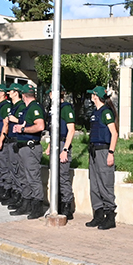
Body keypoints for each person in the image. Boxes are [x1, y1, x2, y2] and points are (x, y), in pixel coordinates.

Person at [9, 84, 48, 220]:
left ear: (23, 95)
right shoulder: (27, 109)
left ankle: (37, 207)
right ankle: (26, 203)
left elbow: (40, 126)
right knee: (24, 177)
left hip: (30, 147)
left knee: (33, 177)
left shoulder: (35, 108)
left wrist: (23, 130)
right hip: (23, 147)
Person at [83, 86, 118, 229]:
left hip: (104, 151)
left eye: (92, 94)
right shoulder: (95, 113)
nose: (91, 96)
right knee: (94, 184)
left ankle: (110, 217)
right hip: (94, 151)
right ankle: (98, 214)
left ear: (96, 96)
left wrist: (111, 153)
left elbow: (114, 134)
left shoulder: (106, 112)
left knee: (105, 184)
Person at [47, 86, 78, 221]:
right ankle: (58, 203)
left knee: (63, 176)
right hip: (55, 143)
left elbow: (71, 130)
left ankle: (67, 206)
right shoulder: (53, 109)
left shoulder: (65, 108)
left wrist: (65, 150)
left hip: (62, 144)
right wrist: (49, 145)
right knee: (55, 176)